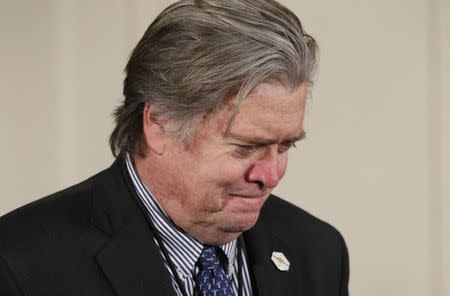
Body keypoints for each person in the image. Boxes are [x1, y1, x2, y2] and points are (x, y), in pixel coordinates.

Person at [0, 0, 349, 295]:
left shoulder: (318, 252)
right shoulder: (18, 264)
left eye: (285, 145)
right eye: (246, 147)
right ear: (159, 124)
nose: (270, 175)